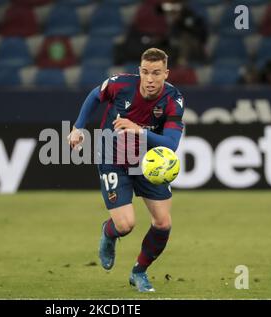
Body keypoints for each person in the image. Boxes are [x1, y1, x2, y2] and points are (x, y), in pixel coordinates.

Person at [68, 48, 184, 292]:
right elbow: (95, 95)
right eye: (145, 72)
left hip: (147, 162)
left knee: (163, 223)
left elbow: (171, 144)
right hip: (113, 157)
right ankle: (108, 233)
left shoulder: (173, 100)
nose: (150, 79)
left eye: (156, 73)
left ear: (166, 73)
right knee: (125, 225)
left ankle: (139, 272)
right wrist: (78, 127)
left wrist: (138, 129)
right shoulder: (121, 84)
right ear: (139, 71)